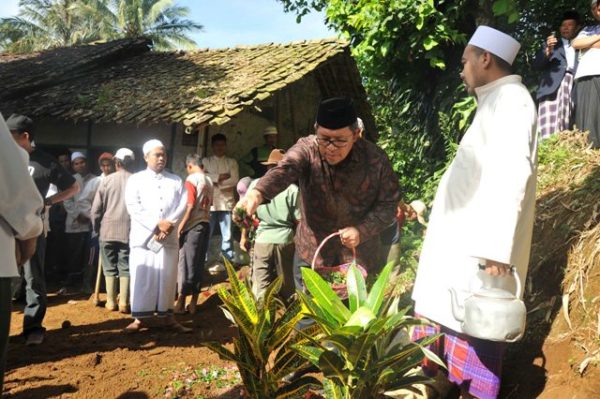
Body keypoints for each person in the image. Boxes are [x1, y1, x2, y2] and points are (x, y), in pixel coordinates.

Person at [411, 26, 537, 399]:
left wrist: (497, 247)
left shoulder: (512, 101)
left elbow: (512, 173)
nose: (461, 69)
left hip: (480, 258)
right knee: (447, 336)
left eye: (465, 61)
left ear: (485, 59)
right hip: (460, 251)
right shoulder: (494, 101)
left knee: (475, 339)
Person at [235, 97, 400, 274]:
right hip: (311, 254)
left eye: (340, 141)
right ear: (315, 130)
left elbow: (389, 205)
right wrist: (257, 194)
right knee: (307, 302)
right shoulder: (307, 149)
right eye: (324, 139)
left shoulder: (375, 159)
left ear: (355, 134)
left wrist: (362, 231)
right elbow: (286, 168)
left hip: (357, 260)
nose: (331, 147)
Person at [8, 114, 79, 346]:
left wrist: (48, 202)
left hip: (31, 228)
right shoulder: (5, 158)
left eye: (11, 136)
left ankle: (33, 327)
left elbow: (73, 186)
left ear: (25, 136)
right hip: (4, 229)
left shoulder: (44, 162)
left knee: (33, 277)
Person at [124, 139, 190, 333]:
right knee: (142, 276)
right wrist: (156, 224)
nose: (161, 158)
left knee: (168, 277)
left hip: (168, 237)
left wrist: (169, 224)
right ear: (146, 157)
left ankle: (168, 317)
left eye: (164, 155)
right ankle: (139, 319)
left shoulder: (176, 180)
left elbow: (183, 204)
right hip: (144, 238)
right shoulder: (135, 180)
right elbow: (133, 206)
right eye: (157, 155)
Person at [0, 114, 44, 392]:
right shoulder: (16, 156)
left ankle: (34, 323)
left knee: (35, 283)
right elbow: (12, 187)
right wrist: (30, 231)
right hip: (8, 240)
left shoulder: (45, 163)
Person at [242, 149, 300, 301]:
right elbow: (298, 219)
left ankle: (262, 319)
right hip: (285, 240)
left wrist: (244, 237)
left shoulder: (255, 186)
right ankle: (289, 317)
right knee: (287, 281)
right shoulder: (292, 190)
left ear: (268, 167)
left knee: (260, 283)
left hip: (262, 238)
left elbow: (246, 213)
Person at [91, 148, 135, 313]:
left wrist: (96, 228)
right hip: (128, 232)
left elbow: (95, 210)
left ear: (116, 162)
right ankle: (123, 302)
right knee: (125, 266)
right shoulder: (136, 180)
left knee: (109, 266)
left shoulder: (106, 181)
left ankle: (110, 302)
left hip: (107, 231)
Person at [174, 154, 213, 315]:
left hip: (193, 226)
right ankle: (193, 303)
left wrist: (180, 226)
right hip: (205, 224)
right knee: (197, 264)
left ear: (189, 166)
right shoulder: (209, 180)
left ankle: (181, 302)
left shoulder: (191, 180)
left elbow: (189, 206)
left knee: (186, 265)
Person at [533, 11, 581, 139]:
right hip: (551, 87)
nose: (565, 28)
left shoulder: (582, 45)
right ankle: (547, 148)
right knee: (548, 120)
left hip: (574, 85)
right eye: (563, 25)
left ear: (577, 28)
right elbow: (537, 65)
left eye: (570, 25)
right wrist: (548, 51)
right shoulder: (551, 45)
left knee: (569, 120)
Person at [62, 152, 101, 293]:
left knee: (89, 255)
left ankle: (87, 282)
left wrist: (89, 215)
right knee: (74, 254)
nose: (80, 165)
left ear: (87, 163)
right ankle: (72, 281)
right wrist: (77, 215)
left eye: (82, 162)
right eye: (76, 163)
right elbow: (67, 200)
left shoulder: (96, 179)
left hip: (91, 223)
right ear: (73, 166)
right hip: (74, 223)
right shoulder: (70, 179)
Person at [202, 133, 239, 268]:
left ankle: (227, 262)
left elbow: (234, 180)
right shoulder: (206, 161)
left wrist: (215, 182)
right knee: (206, 234)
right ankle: (203, 260)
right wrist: (220, 176)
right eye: (217, 145)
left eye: (222, 145)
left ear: (226, 146)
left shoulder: (232, 162)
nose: (220, 147)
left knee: (227, 235)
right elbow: (203, 177)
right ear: (212, 146)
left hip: (227, 203)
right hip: (210, 205)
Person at [572, 0, 600, 147]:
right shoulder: (588, 29)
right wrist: (597, 38)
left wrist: (589, 44)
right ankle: (590, 149)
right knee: (589, 115)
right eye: (594, 7)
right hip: (587, 73)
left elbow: (584, 45)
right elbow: (576, 44)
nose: (598, 9)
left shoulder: (588, 34)